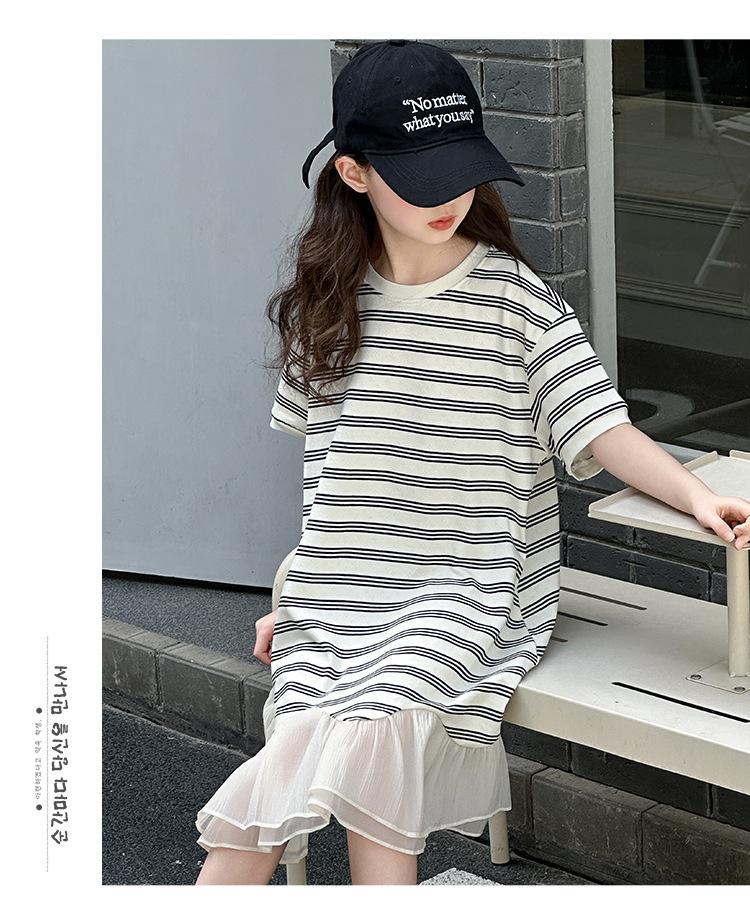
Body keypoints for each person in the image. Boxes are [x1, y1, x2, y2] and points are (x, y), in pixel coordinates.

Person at [194, 40, 750, 886]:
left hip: (470, 587)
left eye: (461, 172)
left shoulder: (517, 303)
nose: (449, 197)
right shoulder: (328, 304)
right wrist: (305, 589)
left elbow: (603, 427)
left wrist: (696, 494)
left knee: (379, 721)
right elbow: (333, 479)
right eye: (421, 178)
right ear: (354, 173)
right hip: (348, 586)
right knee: (299, 739)